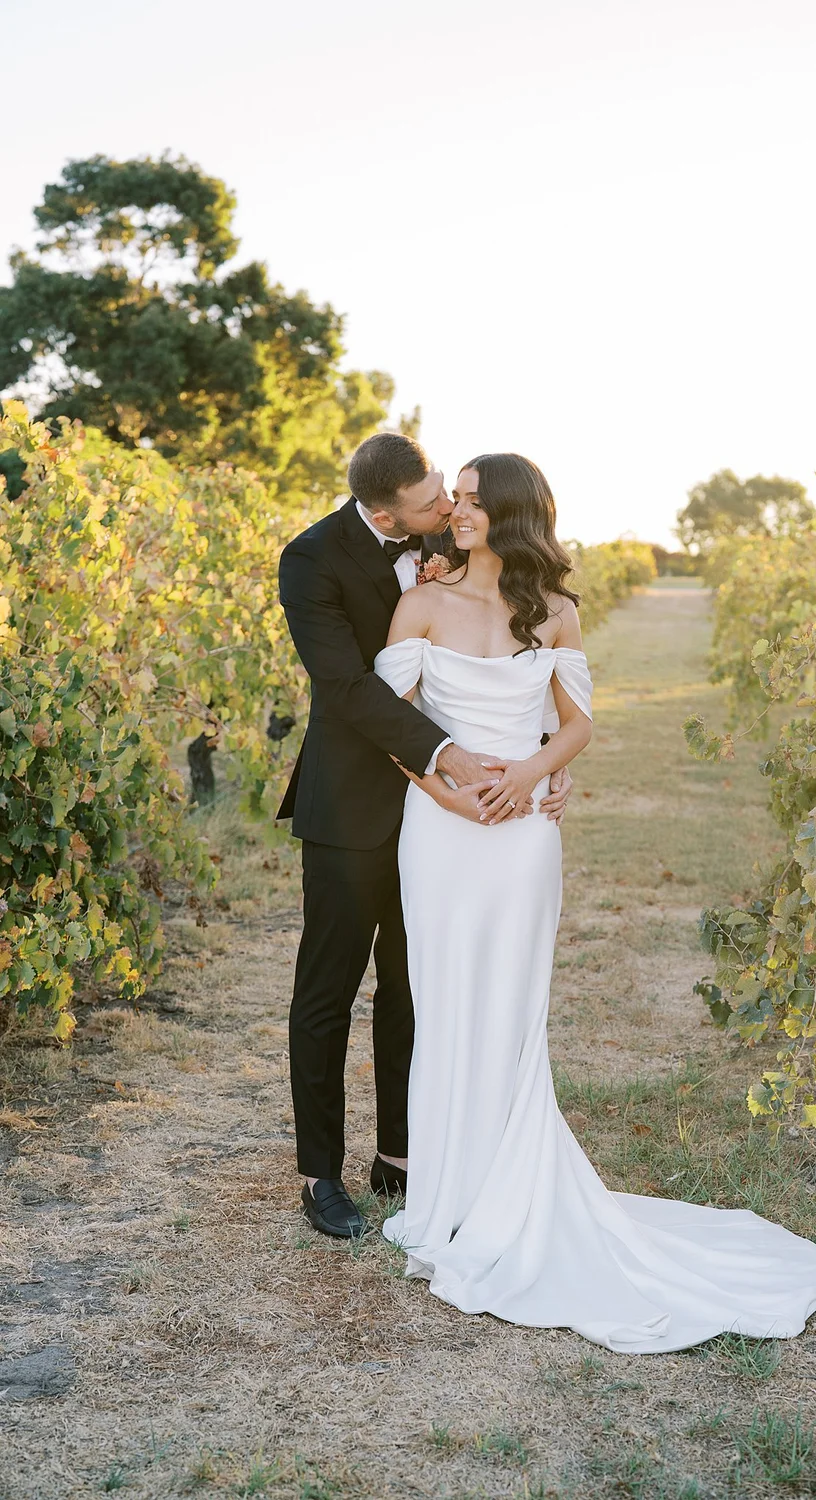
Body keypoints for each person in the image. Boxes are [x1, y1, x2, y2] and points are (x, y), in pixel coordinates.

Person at [373, 452, 816, 1353]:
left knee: (511, 1011)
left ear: (511, 514)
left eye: (471, 501)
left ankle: (510, 1187)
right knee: (443, 999)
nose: (456, 512)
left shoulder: (554, 610)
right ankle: (447, 1195)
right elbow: (395, 727)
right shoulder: (421, 603)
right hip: (439, 830)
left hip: (522, 838)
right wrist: (449, 797)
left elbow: (578, 722)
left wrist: (535, 775)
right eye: (454, 499)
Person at [277, 433, 573, 1239]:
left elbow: (509, 648)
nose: (446, 508)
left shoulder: (451, 531)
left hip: (447, 824)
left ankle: (400, 1157)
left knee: (415, 989)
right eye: (431, 502)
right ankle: (319, 1175)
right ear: (384, 514)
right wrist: (443, 757)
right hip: (356, 808)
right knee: (328, 993)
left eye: (447, 491)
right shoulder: (311, 561)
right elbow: (346, 687)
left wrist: (545, 757)